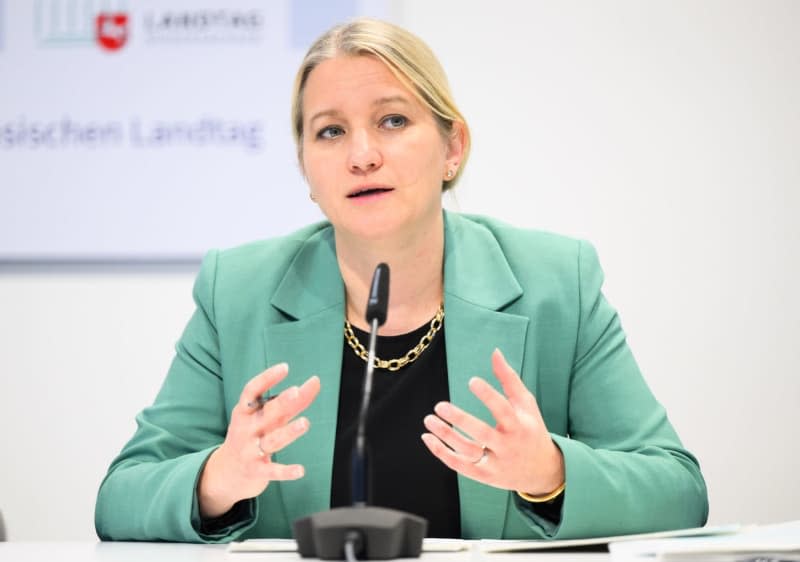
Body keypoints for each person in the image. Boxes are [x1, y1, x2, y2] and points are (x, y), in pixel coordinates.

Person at [95, 18, 708, 542]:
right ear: (306, 169)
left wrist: (551, 472)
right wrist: (215, 481)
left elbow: (679, 492)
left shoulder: (556, 283)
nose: (361, 154)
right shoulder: (239, 291)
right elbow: (119, 497)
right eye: (330, 131)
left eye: (391, 121)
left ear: (452, 147)